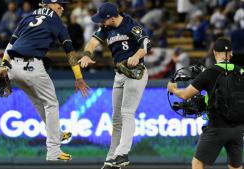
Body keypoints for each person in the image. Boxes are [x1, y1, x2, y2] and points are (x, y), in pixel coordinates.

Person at [0, 0, 89, 161]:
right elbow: (69, 52)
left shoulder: (27, 16)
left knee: (38, 101)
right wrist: (79, 77)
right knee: (51, 104)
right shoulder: (56, 21)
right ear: (48, 5)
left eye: (63, 5)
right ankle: (54, 151)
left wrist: (3, 66)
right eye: (59, 5)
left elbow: (11, 43)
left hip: (13, 67)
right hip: (31, 67)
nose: (62, 8)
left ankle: (56, 133)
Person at [78, 2, 151, 169]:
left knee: (127, 112)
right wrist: (87, 55)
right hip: (119, 74)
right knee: (116, 119)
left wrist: (137, 55)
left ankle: (122, 153)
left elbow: (146, 43)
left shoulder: (131, 24)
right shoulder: (106, 28)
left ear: (111, 18)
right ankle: (111, 158)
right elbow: (91, 44)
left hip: (135, 72)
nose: (101, 22)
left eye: (103, 20)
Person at [167, 37, 244, 169]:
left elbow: (185, 95)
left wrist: (173, 89)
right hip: (238, 129)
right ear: (231, 54)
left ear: (214, 52)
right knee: (235, 166)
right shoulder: (241, 72)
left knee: (197, 163)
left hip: (216, 128)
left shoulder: (209, 73)